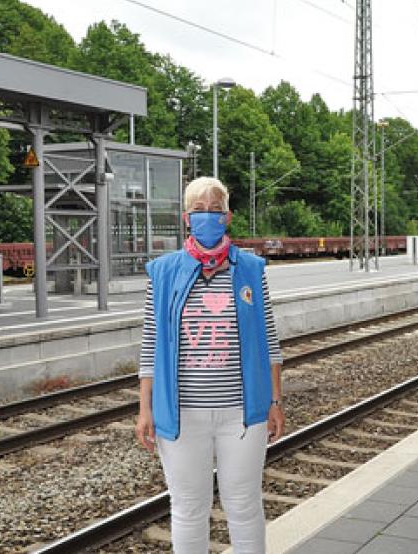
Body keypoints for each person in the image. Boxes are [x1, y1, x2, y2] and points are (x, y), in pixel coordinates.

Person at [135, 177, 285, 553]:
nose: (206, 216)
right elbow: (151, 344)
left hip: (243, 414)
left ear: (227, 216)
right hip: (183, 414)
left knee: (244, 503)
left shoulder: (250, 269)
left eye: (214, 209)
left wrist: (276, 401)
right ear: (187, 218)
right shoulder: (164, 272)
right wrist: (144, 408)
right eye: (198, 210)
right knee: (188, 508)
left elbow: (269, 341)